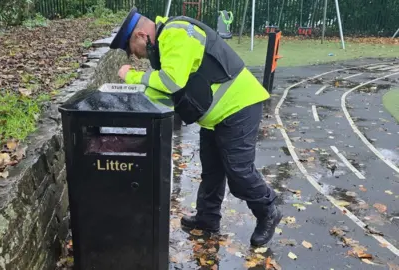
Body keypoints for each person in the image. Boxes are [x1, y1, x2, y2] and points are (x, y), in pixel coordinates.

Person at [109, 7, 282, 247]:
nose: (135, 57)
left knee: (239, 171)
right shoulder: (164, 43)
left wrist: (132, 76)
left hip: (239, 106)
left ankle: (268, 210)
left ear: (140, 35)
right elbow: (165, 88)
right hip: (216, 116)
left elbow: (171, 82)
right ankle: (207, 219)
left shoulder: (175, 34)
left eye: (131, 50)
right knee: (211, 171)